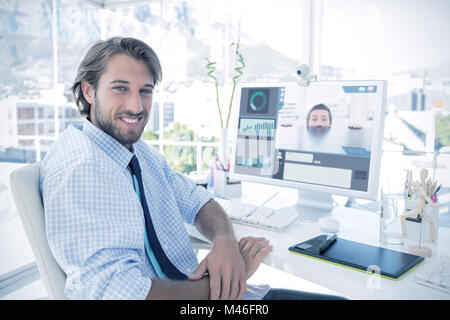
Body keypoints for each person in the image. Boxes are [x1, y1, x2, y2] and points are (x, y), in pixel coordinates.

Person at [40, 37, 345, 300]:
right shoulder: (83, 168)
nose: (137, 106)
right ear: (89, 91)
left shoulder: (132, 152)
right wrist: (224, 284)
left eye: (145, 91)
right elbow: (118, 291)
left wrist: (225, 244)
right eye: (121, 89)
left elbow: (196, 200)